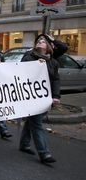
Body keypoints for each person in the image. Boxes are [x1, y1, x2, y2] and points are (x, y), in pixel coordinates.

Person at [19, 34, 67, 164]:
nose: (40, 42)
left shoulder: (53, 62)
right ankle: (44, 153)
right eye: (38, 41)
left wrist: (56, 96)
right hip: (31, 97)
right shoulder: (29, 56)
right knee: (37, 123)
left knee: (32, 121)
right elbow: (22, 71)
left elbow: (56, 80)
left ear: (49, 47)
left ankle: (24, 144)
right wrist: (35, 64)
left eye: (43, 41)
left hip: (45, 97)